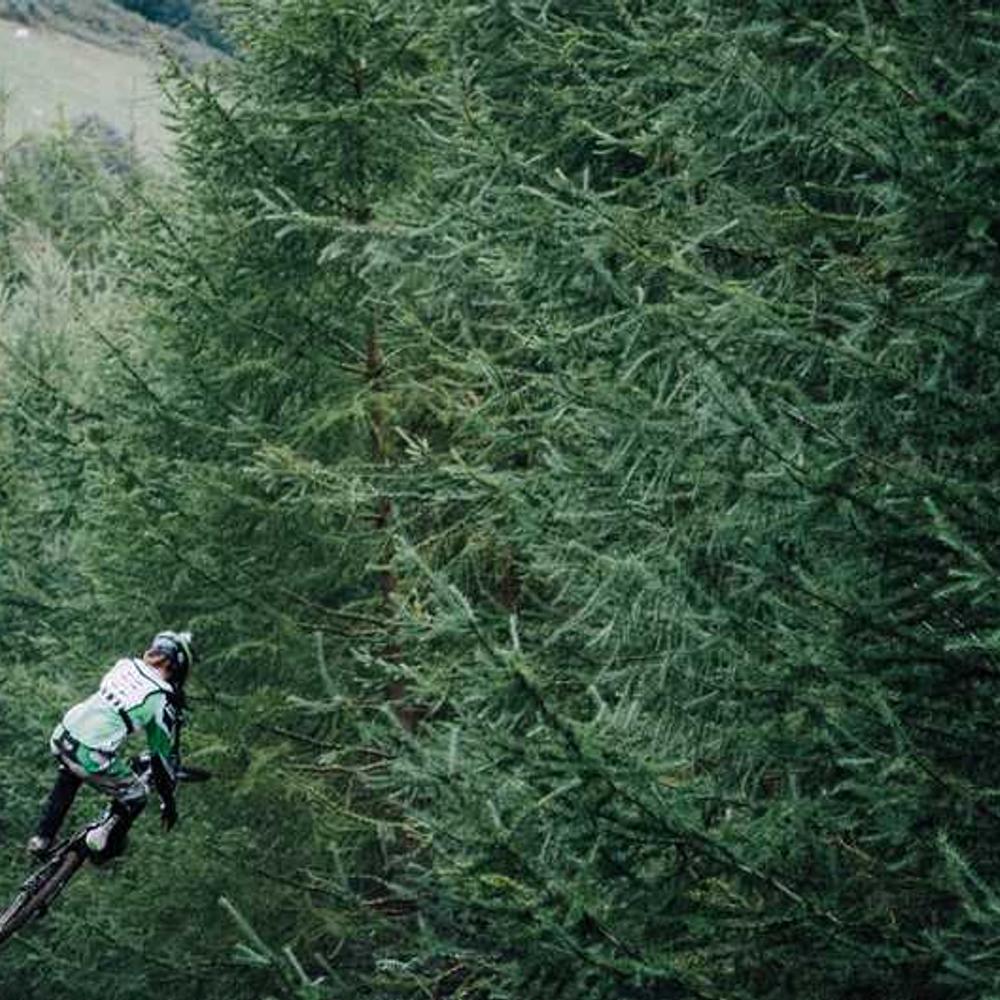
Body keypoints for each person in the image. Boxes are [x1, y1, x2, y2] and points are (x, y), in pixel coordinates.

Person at [26, 631, 195, 862]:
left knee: (69, 774)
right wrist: (168, 802)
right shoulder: (160, 699)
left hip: (62, 735)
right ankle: (100, 842)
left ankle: (41, 838)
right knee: (136, 795)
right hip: (90, 754)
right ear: (177, 668)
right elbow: (160, 759)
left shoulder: (124, 665)